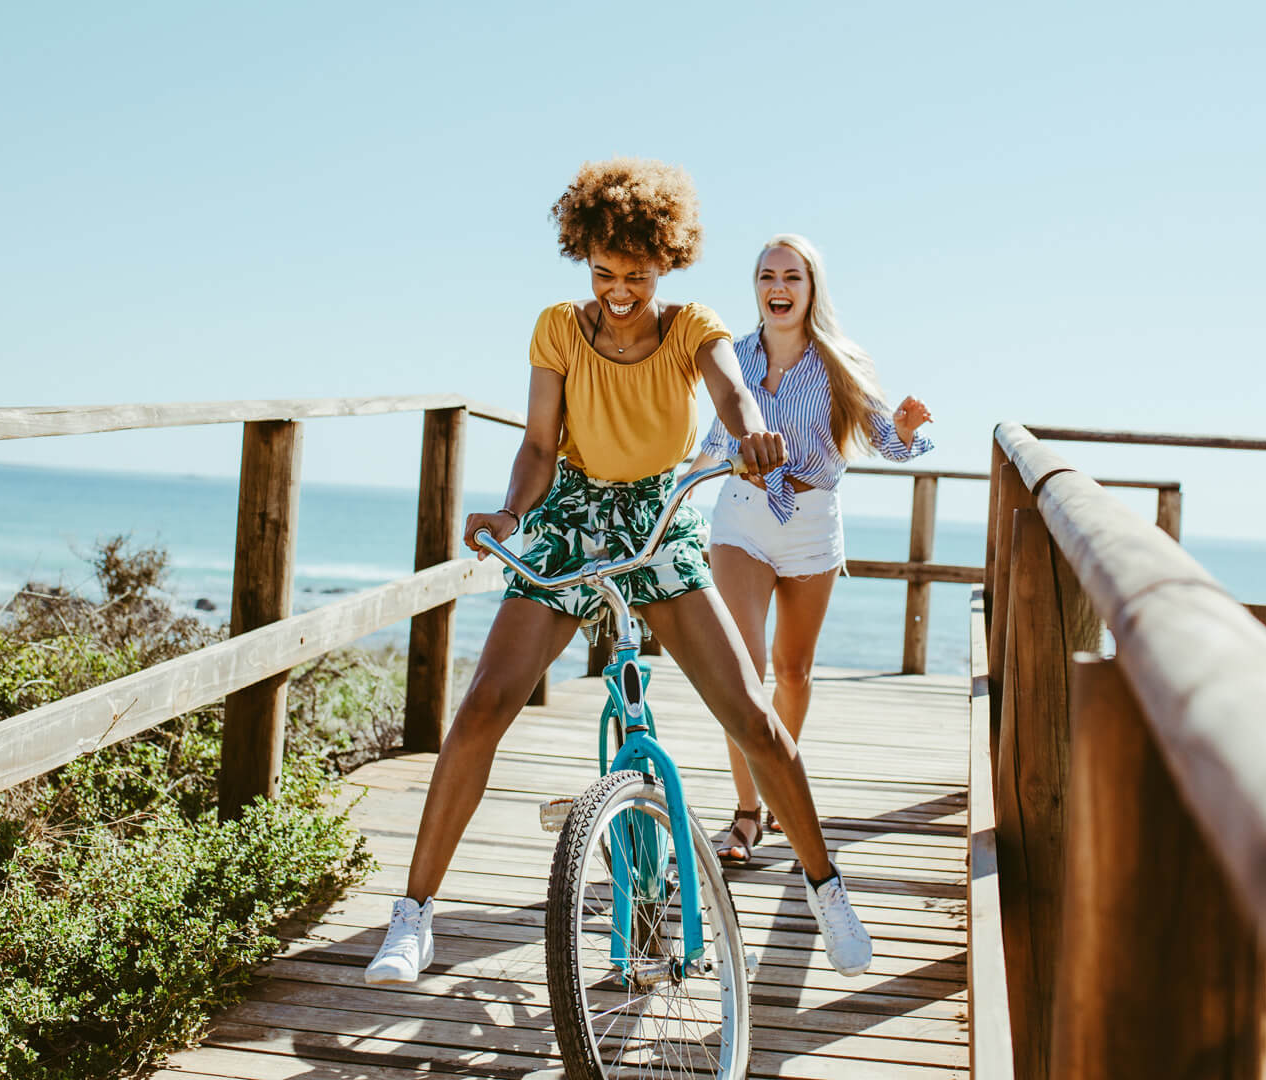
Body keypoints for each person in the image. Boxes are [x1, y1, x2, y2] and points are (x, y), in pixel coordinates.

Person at [366, 162, 874, 984]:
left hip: (655, 519)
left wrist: (751, 438)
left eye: (637, 275)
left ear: (664, 265)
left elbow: (733, 394)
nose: (620, 292)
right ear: (585, 261)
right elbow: (538, 446)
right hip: (569, 516)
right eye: (605, 274)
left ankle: (826, 888)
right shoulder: (560, 329)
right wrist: (508, 514)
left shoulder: (690, 326)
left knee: (751, 711)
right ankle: (414, 915)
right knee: (485, 705)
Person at [688, 234, 933, 867]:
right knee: (743, 670)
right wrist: (669, 493)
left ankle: (775, 785)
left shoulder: (839, 362)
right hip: (740, 519)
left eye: (792, 277)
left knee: (792, 672)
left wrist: (905, 431)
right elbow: (712, 445)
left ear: (811, 288)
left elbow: (888, 440)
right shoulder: (731, 357)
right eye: (768, 276)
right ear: (757, 288)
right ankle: (745, 816)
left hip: (812, 524)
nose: (779, 287)